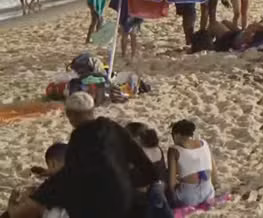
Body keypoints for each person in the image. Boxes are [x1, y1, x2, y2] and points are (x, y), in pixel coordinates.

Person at [3, 92, 158, 218]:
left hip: (101, 206)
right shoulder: (111, 127)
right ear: (92, 111)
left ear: (70, 115)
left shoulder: (80, 138)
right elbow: (140, 160)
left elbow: (70, 177)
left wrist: (39, 195)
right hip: (125, 198)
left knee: (39, 207)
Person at [167, 120, 216, 208]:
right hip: (208, 194)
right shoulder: (204, 143)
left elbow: (172, 185)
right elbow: (214, 174)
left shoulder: (173, 150)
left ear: (177, 134)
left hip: (189, 198)